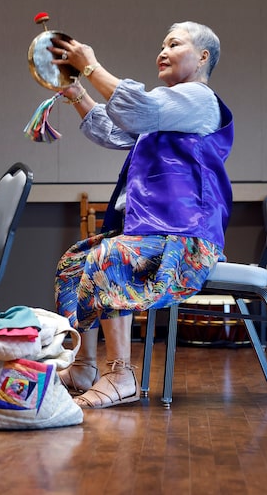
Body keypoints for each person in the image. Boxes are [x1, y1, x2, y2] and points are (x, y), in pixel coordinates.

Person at [50, 21, 234, 408]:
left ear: (203, 57)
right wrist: (76, 91)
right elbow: (114, 130)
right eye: (161, 44)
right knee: (74, 262)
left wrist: (90, 66)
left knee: (109, 256)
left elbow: (139, 110)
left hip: (188, 238)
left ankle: (121, 375)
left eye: (174, 43)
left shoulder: (199, 99)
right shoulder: (167, 114)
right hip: (158, 233)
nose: (162, 51)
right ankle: (84, 366)